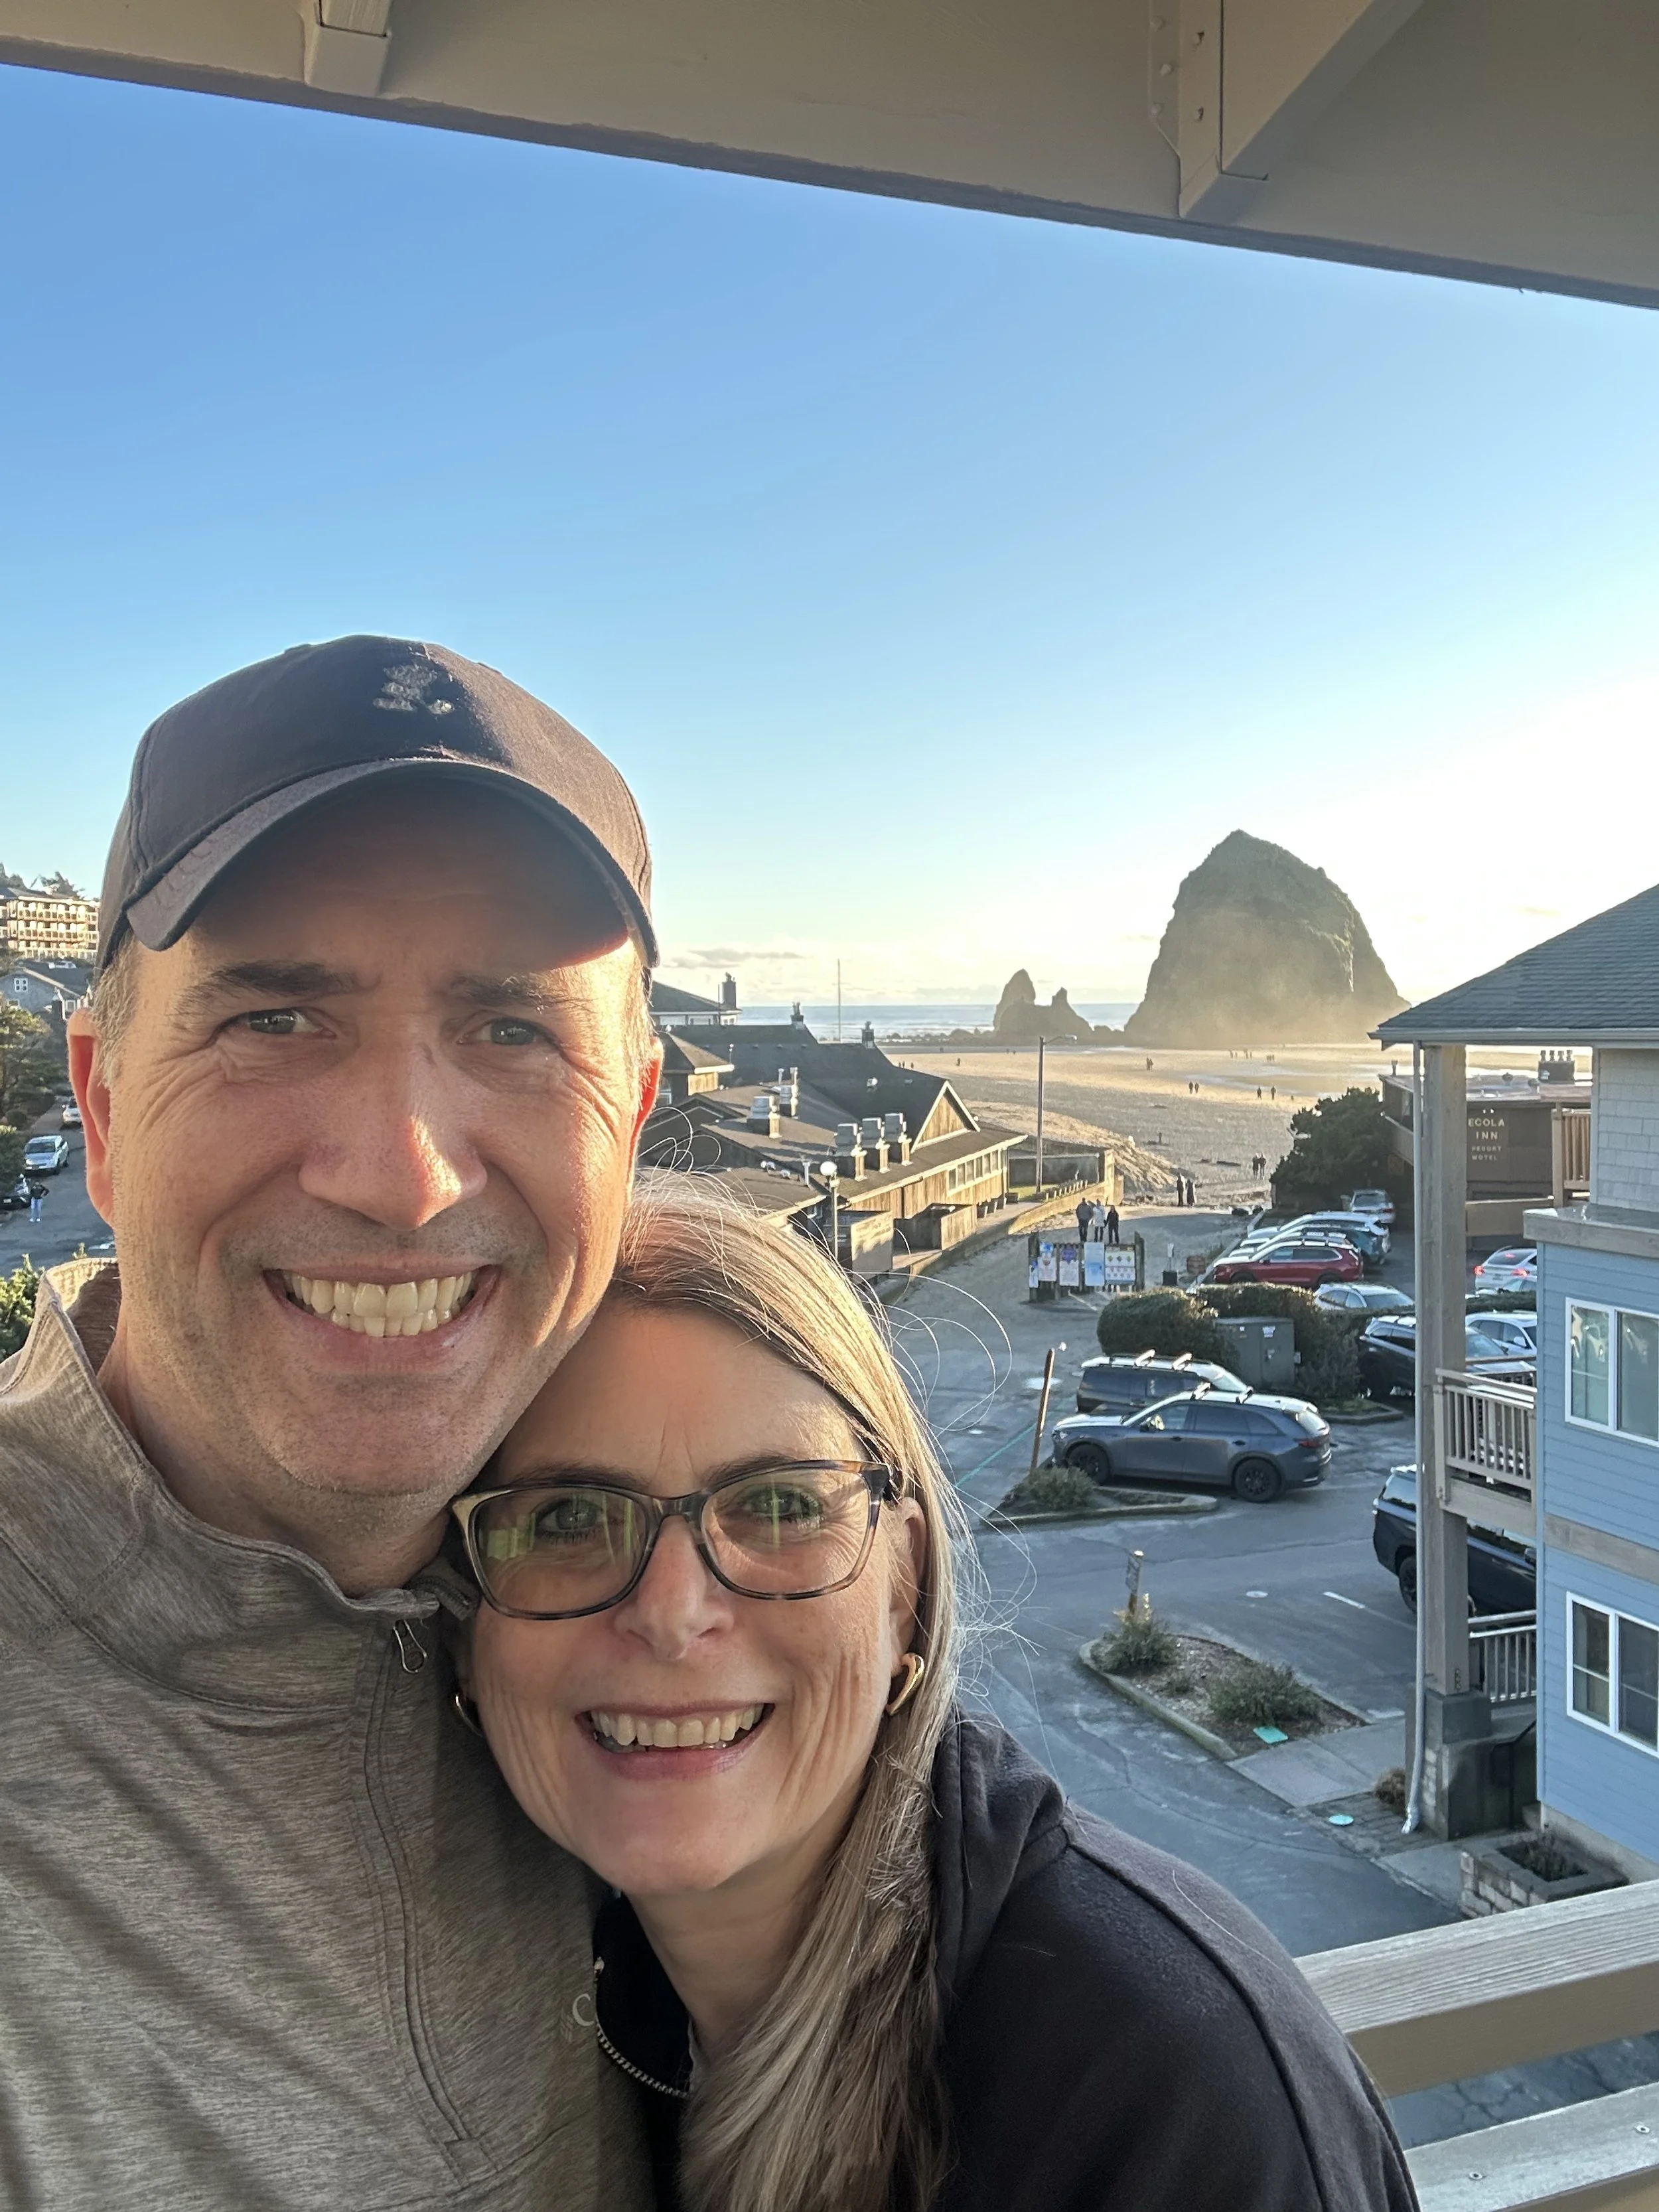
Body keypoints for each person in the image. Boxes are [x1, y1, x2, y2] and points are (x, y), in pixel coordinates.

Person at [0, 637, 662, 2209]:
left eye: (512, 1030)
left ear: (631, 1120)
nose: (403, 1173)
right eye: (274, 1020)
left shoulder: (687, 1596)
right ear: (98, 1108)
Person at [455, 1179, 1416, 2212]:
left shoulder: (1161, 2092)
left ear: (902, 1585)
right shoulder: (565, 2019)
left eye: (778, 1505)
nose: (672, 1613)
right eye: (563, 1520)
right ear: (461, 1620)